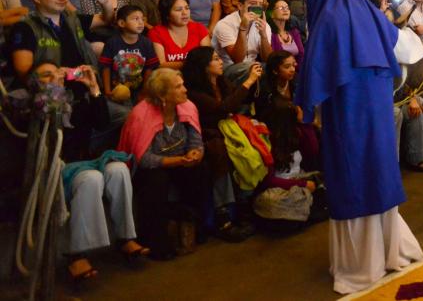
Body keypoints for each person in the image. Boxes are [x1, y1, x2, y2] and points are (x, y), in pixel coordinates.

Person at [295, 0, 423, 294]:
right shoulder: (369, 12)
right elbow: (411, 49)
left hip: (346, 118)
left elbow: (314, 79)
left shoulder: (326, 21)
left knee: (352, 176)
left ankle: (359, 265)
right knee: (378, 170)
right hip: (378, 114)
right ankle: (390, 250)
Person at [32, 63, 147, 282]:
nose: (55, 77)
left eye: (56, 72)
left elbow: (102, 122)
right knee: (91, 179)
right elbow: (49, 127)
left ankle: (125, 237)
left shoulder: (73, 101)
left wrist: (94, 89)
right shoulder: (35, 104)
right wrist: (54, 90)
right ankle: (76, 254)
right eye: (47, 75)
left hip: (85, 160)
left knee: (119, 170)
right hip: (59, 166)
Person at [117, 69, 206, 261]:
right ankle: (156, 243)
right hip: (151, 167)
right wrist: (177, 161)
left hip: (180, 160)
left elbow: (196, 140)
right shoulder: (141, 115)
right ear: (162, 95)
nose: (185, 90)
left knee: (199, 171)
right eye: (178, 87)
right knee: (156, 180)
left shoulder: (187, 107)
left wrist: (195, 153)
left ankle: (192, 228)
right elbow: (144, 158)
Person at [181, 47, 261, 242]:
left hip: (226, 131)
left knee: (255, 141)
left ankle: (246, 205)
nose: (220, 62)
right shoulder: (194, 92)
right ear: (204, 67)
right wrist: (248, 81)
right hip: (207, 136)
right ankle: (223, 218)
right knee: (221, 154)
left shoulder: (221, 82)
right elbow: (223, 108)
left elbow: (239, 99)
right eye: (215, 59)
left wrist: (254, 82)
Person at [99, 4, 159, 122]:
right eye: (135, 19)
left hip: (138, 90)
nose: (140, 22)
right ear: (122, 23)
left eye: (142, 19)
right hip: (117, 89)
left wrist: (145, 92)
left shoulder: (146, 43)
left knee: (141, 115)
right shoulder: (112, 43)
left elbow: (149, 69)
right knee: (125, 116)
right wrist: (107, 90)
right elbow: (105, 67)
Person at [211, 0, 273, 80]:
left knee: (275, 66)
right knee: (256, 68)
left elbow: (268, 59)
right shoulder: (224, 25)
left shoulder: (264, 25)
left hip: (252, 65)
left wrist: (263, 35)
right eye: (253, 3)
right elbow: (237, 60)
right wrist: (243, 29)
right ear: (240, 6)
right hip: (227, 68)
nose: (257, 7)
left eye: (260, 4)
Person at [150, 0, 211, 69]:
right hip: (168, 76)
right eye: (179, 10)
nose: (185, 13)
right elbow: (161, 64)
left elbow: (207, 59)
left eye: (187, 8)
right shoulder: (156, 32)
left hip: (196, 75)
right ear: (167, 15)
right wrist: (191, 64)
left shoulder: (199, 28)